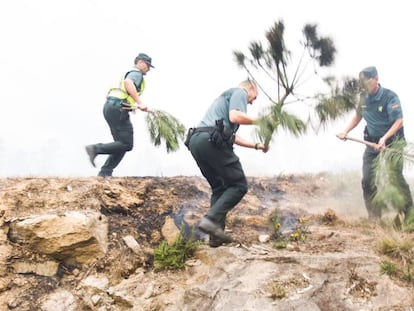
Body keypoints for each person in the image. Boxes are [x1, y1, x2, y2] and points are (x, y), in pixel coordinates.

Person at [187, 79, 269, 247]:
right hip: (211, 141)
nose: (252, 102)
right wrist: (261, 121)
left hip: (197, 141)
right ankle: (210, 221)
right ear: (251, 88)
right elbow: (235, 116)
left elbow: (231, 136)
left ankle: (215, 237)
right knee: (239, 185)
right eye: (254, 97)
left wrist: (257, 145)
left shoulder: (223, 100)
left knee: (220, 188)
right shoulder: (240, 92)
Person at [337, 66, 413, 220]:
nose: (364, 84)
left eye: (367, 81)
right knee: (367, 180)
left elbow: (398, 121)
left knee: (396, 179)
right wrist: (346, 131)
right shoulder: (363, 98)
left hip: (393, 143)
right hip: (372, 145)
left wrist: (384, 138)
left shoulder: (390, 97)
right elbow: (358, 116)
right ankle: (374, 217)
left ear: (376, 79)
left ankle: (410, 214)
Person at [85, 53, 153, 177]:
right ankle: (95, 149)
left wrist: (131, 106)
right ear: (141, 62)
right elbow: (128, 83)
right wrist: (140, 102)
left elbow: (122, 90)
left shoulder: (128, 72)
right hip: (117, 107)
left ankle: (105, 172)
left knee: (121, 144)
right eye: (148, 66)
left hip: (111, 106)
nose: (148, 70)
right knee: (127, 144)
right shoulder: (136, 73)